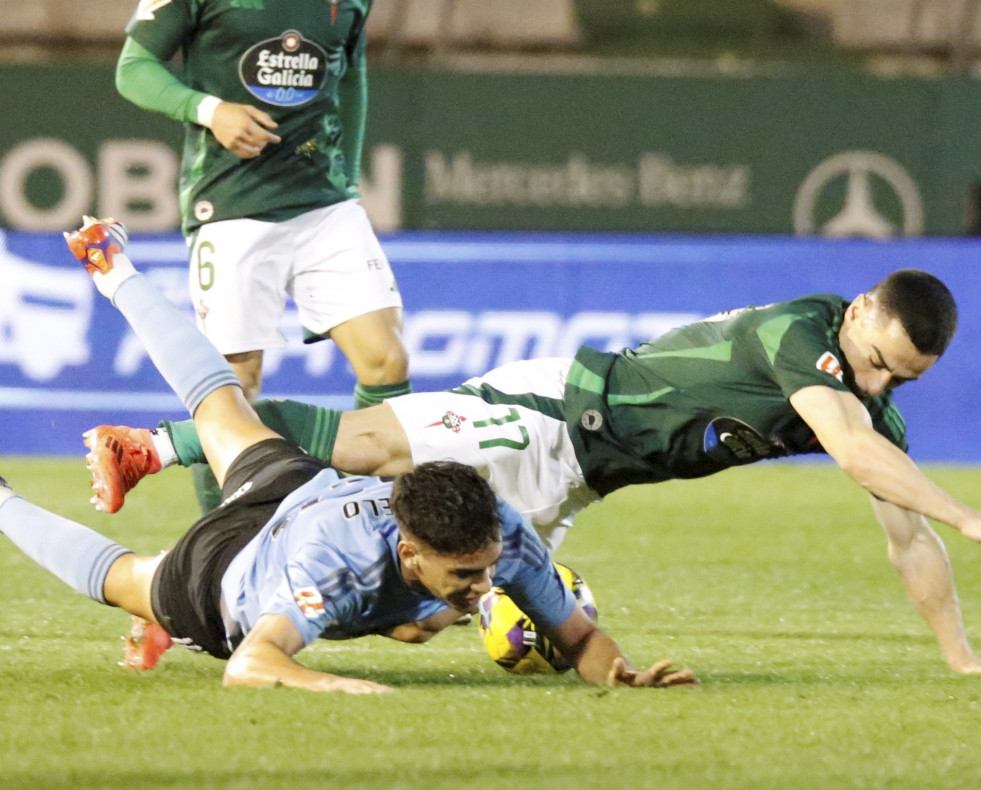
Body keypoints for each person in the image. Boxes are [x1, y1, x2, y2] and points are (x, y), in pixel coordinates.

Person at [91, 260, 981, 675]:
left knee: (451, 616)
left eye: (896, 380)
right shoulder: (804, 335)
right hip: (552, 411)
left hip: (578, 478)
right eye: (875, 360)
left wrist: (959, 661)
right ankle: (155, 445)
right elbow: (853, 448)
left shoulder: (866, 404)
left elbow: (903, 536)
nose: (874, 383)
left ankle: (203, 611)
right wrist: (973, 515)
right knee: (366, 445)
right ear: (859, 311)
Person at [0, 216, 697, 693]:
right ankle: (7, 490)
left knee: (223, 406)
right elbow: (251, 664)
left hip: (303, 491)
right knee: (124, 577)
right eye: (467, 575)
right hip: (226, 572)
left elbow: (579, 640)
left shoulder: (498, 536)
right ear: (413, 550)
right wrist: (334, 684)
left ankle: (110, 269)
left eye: (485, 570)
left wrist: (623, 674)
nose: (486, 587)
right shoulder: (332, 568)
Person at [114, 0, 411, 511]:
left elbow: (350, 72)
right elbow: (133, 69)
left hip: (325, 204)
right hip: (232, 205)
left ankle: (384, 520)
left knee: (387, 360)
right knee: (235, 387)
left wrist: (349, 174)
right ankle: (225, 541)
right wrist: (210, 110)